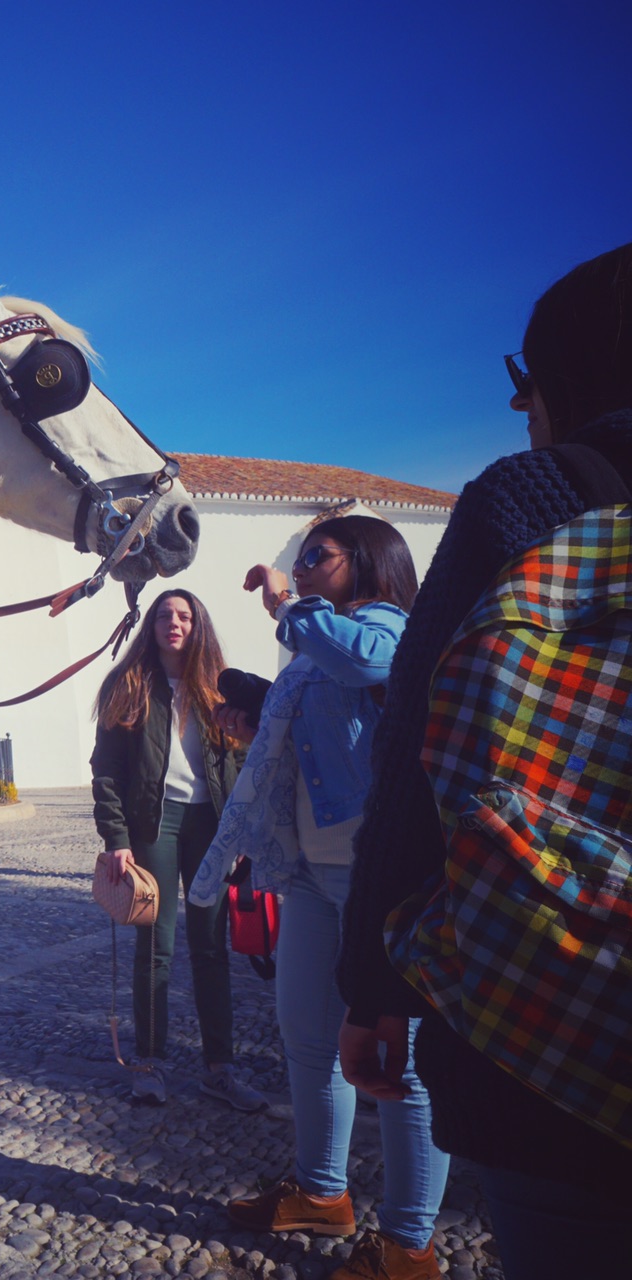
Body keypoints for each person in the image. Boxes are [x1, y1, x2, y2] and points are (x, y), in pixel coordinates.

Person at [336, 241, 632, 1279]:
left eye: (525, 392)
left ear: (561, 382)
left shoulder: (531, 497)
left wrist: (375, 987)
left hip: (553, 1029)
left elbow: (420, 748)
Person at [190, 515, 444, 1280]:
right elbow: (325, 719)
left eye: (316, 557)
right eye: (296, 560)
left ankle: (408, 1245)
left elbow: (362, 664)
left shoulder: (393, 627)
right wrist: (256, 717)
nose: (299, 568)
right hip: (307, 872)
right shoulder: (316, 641)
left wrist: (283, 605)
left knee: (400, 1062)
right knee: (307, 1039)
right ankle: (322, 1192)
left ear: (368, 561)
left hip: (380, 877)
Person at [90, 589, 261, 1110]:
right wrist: (116, 838)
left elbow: (240, 762)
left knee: (211, 947)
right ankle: (149, 1062)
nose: (174, 623)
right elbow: (106, 770)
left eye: (184, 615)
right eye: (165, 614)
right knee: (154, 946)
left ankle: (220, 1068)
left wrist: (240, 832)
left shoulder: (217, 687)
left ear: (197, 625)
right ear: (153, 625)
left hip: (209, 823)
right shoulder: (130, 684)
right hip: (154, 825)